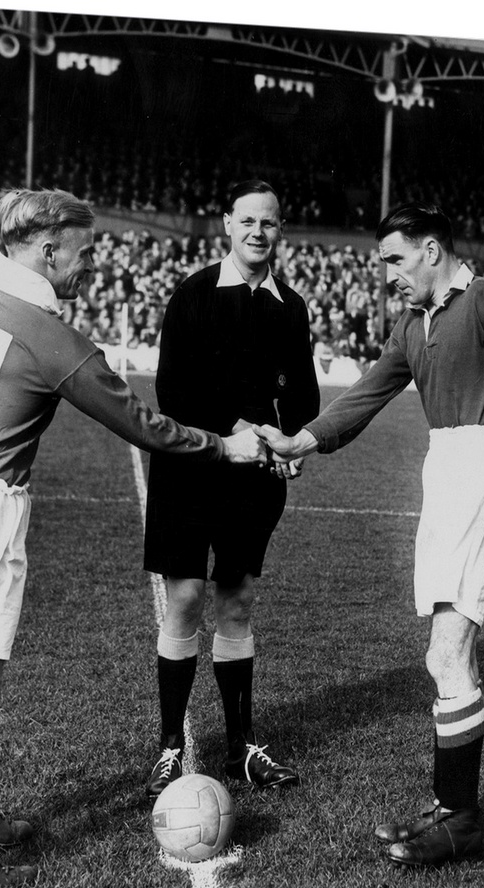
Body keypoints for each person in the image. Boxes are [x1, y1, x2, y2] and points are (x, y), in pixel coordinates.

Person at [0, 188, 266, 888]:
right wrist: (226, 447)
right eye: (84, 251)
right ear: (47, 248)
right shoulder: (47, 334)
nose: (89, 265)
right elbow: (140, 424)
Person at [256, 201, 484, 866]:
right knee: (448, 656)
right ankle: (453, 809)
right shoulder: (413, 323)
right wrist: (303, 438)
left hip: (482, 463)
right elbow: (366, 394)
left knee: (446, 654)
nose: (388, 272)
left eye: (395, 258)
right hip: (442, 470)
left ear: (431, 250)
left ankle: (463, 820)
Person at [143, 179, 320, 798]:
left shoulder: (289, 307)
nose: (257, 232)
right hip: (190, 467)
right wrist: (239, 427)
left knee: (237, 600)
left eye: (268, 223)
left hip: (254, 479)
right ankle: (170, 745)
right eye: (246, 220)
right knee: (187, 597)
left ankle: (243, 747)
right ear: (226, 224)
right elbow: (173, 393)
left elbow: (303, 397)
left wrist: (288, 440)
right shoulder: (192, 295)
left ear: (280, 232)